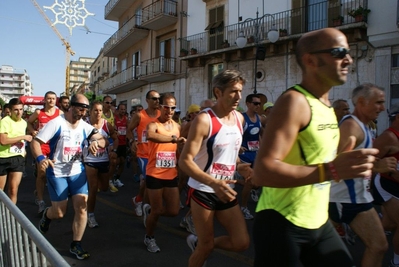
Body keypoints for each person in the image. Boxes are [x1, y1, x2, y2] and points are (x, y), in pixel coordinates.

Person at [251, 28, 379, 267]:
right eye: (339, 52)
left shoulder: (327, 107)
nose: (348, 59)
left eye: (348, 52)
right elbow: (263, 172)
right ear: (310, 60)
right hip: (281, 223)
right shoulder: (295, 102)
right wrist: (330, 170)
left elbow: (324, 163)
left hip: (318, 222)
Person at [179, 70, 252, 267]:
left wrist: (241, 165)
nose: (238, 97)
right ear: (218, 92)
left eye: (240, 91)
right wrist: (213, 182)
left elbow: (229, 152)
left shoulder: (240, 119)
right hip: (203, 190)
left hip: (225, 189)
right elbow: (184, 161)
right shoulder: (204, 120)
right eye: (233, 91)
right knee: (206, 246)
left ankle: (197, 243)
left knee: (241, 242)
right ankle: (202, 245)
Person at [30, 94, 107, 260]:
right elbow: (35, 142)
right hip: (57, 172)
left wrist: (95, 142)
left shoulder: (84, 126)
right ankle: (47, 215)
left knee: (81, 206)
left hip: (76, 172)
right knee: (59, 213)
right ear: (71, 106)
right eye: (81, 108)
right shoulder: (56, 123)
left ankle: (76, 244)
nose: (83, 112)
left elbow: (101, 139)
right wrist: (40, 158)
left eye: (86, 109)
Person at [329, 83, 394, 267]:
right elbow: (336, 165)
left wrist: (374, 164)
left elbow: (356, 158)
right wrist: (376, 166)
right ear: (362, 102)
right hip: (345, 198)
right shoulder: (351, 127)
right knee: (378, 246)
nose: (382, 107)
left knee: (379, 246)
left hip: (359, 196)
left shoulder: (365, 126)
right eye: (378, 102)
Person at [143, 93, 186, 252]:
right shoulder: (153, 124)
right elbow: (151, 135)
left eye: (173, 107)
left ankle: (150, 213)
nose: (169, 110)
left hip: (171, 174)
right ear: (160, 107)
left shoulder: (177, 126)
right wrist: (173, 139)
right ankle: (149, 237)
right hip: (154, 173)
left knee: (174, 211)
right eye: (166, 107)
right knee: (157, 210)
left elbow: (177, 148)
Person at [83, 101, 118, 228]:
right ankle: (90, 215)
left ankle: (86, 197)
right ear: (90, 111)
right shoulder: (84, 124)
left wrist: (113, 150)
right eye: (95, 110)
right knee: (93, 189)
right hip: (89, 160)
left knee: (103, 188)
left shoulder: (106, 125)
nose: (98, 113)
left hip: (103, 159)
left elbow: (115, 138)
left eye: (100, 111)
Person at [373, 104, 399, 267]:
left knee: (390, 224)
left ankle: (368, 232)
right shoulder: (388, 137)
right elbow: (371, 160)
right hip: (387, 184)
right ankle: (396, 261)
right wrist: (391, 172)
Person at [127, 90, 161, 217]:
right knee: (149, 179)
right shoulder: (139, 116)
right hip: (144, 154)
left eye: (158, 98)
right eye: (154, 98)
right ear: (147, 100)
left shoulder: (161, 114)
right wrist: (132, 141)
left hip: (158, 154)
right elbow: (129, 130)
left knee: (150, 182)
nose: (157, 101)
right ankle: (146, 205)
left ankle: (138, 199)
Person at [27, 91, 62, 214]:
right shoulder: (38, 113)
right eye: (49, 98)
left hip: (54, 146)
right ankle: (41, 202)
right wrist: (32, 131)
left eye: (53, 98)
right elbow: (28, 122)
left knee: (53, 172)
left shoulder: (60, 114)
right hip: (41, 145)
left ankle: (40, 191)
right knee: (41, 172)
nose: (51, 101)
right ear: (45, 100)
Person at [0, 98, 32, 203]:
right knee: (1, 192)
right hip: (3, 157)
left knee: (13, 190)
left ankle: (11, 217)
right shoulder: (5, 121)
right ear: (10, 110)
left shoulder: (24, 122)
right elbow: (3, 141)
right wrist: (22, 137)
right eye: (16, 110)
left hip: (17, 158)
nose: (19, 112)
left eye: (21, 109)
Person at [237, 93, 263, 220]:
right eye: (255, 103)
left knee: (256, 182)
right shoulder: (242, 119)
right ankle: (244, 207)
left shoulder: (259, 119)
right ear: (248, 104)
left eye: (259, 103)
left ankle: (250, 188)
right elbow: (234, 134)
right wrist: (238, 147)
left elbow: (260, 135)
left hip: (255, 155)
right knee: (249, 181)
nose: (258, 106)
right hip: (244, 156)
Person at [102, 96, 118, 192]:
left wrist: (115, 130)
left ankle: (109, 180)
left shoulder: (112, 113)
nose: (109, 104)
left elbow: (113, 125)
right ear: (103, 103)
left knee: (113, 161)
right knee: (102, 162)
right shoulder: (100, 113)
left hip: (110, 139)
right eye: (107, 102)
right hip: (100, 140)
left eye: (110, 103)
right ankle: (100, 181)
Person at [112, 103, 128, 187]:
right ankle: (111, 178)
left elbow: (128, 130)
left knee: (123, 161)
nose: (123, 111)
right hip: (117, 143)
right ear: (118, 110)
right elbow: (113, 129)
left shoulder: (126, 119)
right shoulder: (115, 118)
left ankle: (117, 178)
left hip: (124, 143)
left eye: (124, 109)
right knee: (115, 162)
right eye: (121, 109)